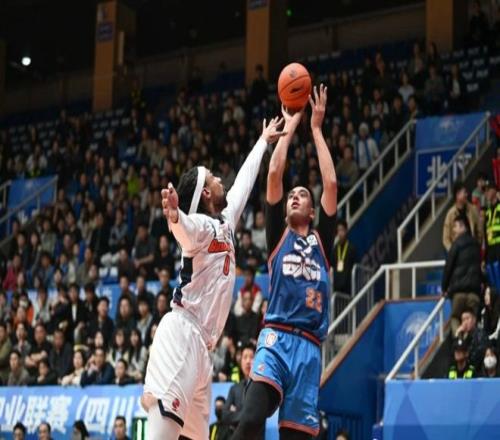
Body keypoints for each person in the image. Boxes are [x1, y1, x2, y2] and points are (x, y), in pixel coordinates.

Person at [142, 116, 285, 439]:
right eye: (214, 177)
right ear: (206, 192)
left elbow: (244, 183)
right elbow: (186, 230)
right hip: (181, 335)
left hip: (203, 349)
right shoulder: (202, 228)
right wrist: (175, 217)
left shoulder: (225, 222)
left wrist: (263, 141)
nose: (221, 179)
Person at [233, 84, 337, 438]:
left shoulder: (323, 241)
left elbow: (331, 183)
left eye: (302, 195)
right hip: (276, 339)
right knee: (250, 419)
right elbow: (275, 173)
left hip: (309, 348)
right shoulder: (279, 234)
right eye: (292, 195)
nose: (294, 197)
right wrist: (292, 123)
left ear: (312, 210)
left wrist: (317, 130)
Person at [442, 217, 482, 335]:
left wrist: (444, 287)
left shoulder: (456, 245)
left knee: (455, 318)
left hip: (458, 292)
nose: (454, 230)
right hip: (474, 292)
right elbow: (479, 267)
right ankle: (472, 342)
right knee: (473, 320)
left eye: (456, 226)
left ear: (463, 226)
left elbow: (448, 267)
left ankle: (459, 340)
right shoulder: (476, 244)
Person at [221, 344, 258, 437]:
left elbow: (256, 416)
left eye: (251, 357)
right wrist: (246, 415)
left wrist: (236, 413)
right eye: (245, 357)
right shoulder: (234, 388)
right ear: (240, 362)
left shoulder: (260, 387)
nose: (248, 361)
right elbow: (225, 415)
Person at [442, 182, 481, 251]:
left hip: (472, 249)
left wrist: (477, 245)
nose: (466, 195)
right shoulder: (450, 214)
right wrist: (453, 251)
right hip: (458, 252)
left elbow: (479, 230)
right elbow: (446, 238)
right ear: (457, 194)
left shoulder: (472, 209)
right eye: (464, 192)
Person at [332, 220, 357, 295]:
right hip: (337, 286)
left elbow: (355, 265)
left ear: (346, 231)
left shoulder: (351, 248)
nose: (340, 233)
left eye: (342, 230)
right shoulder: (335, 249)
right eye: (338, 230)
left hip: (348, 286)